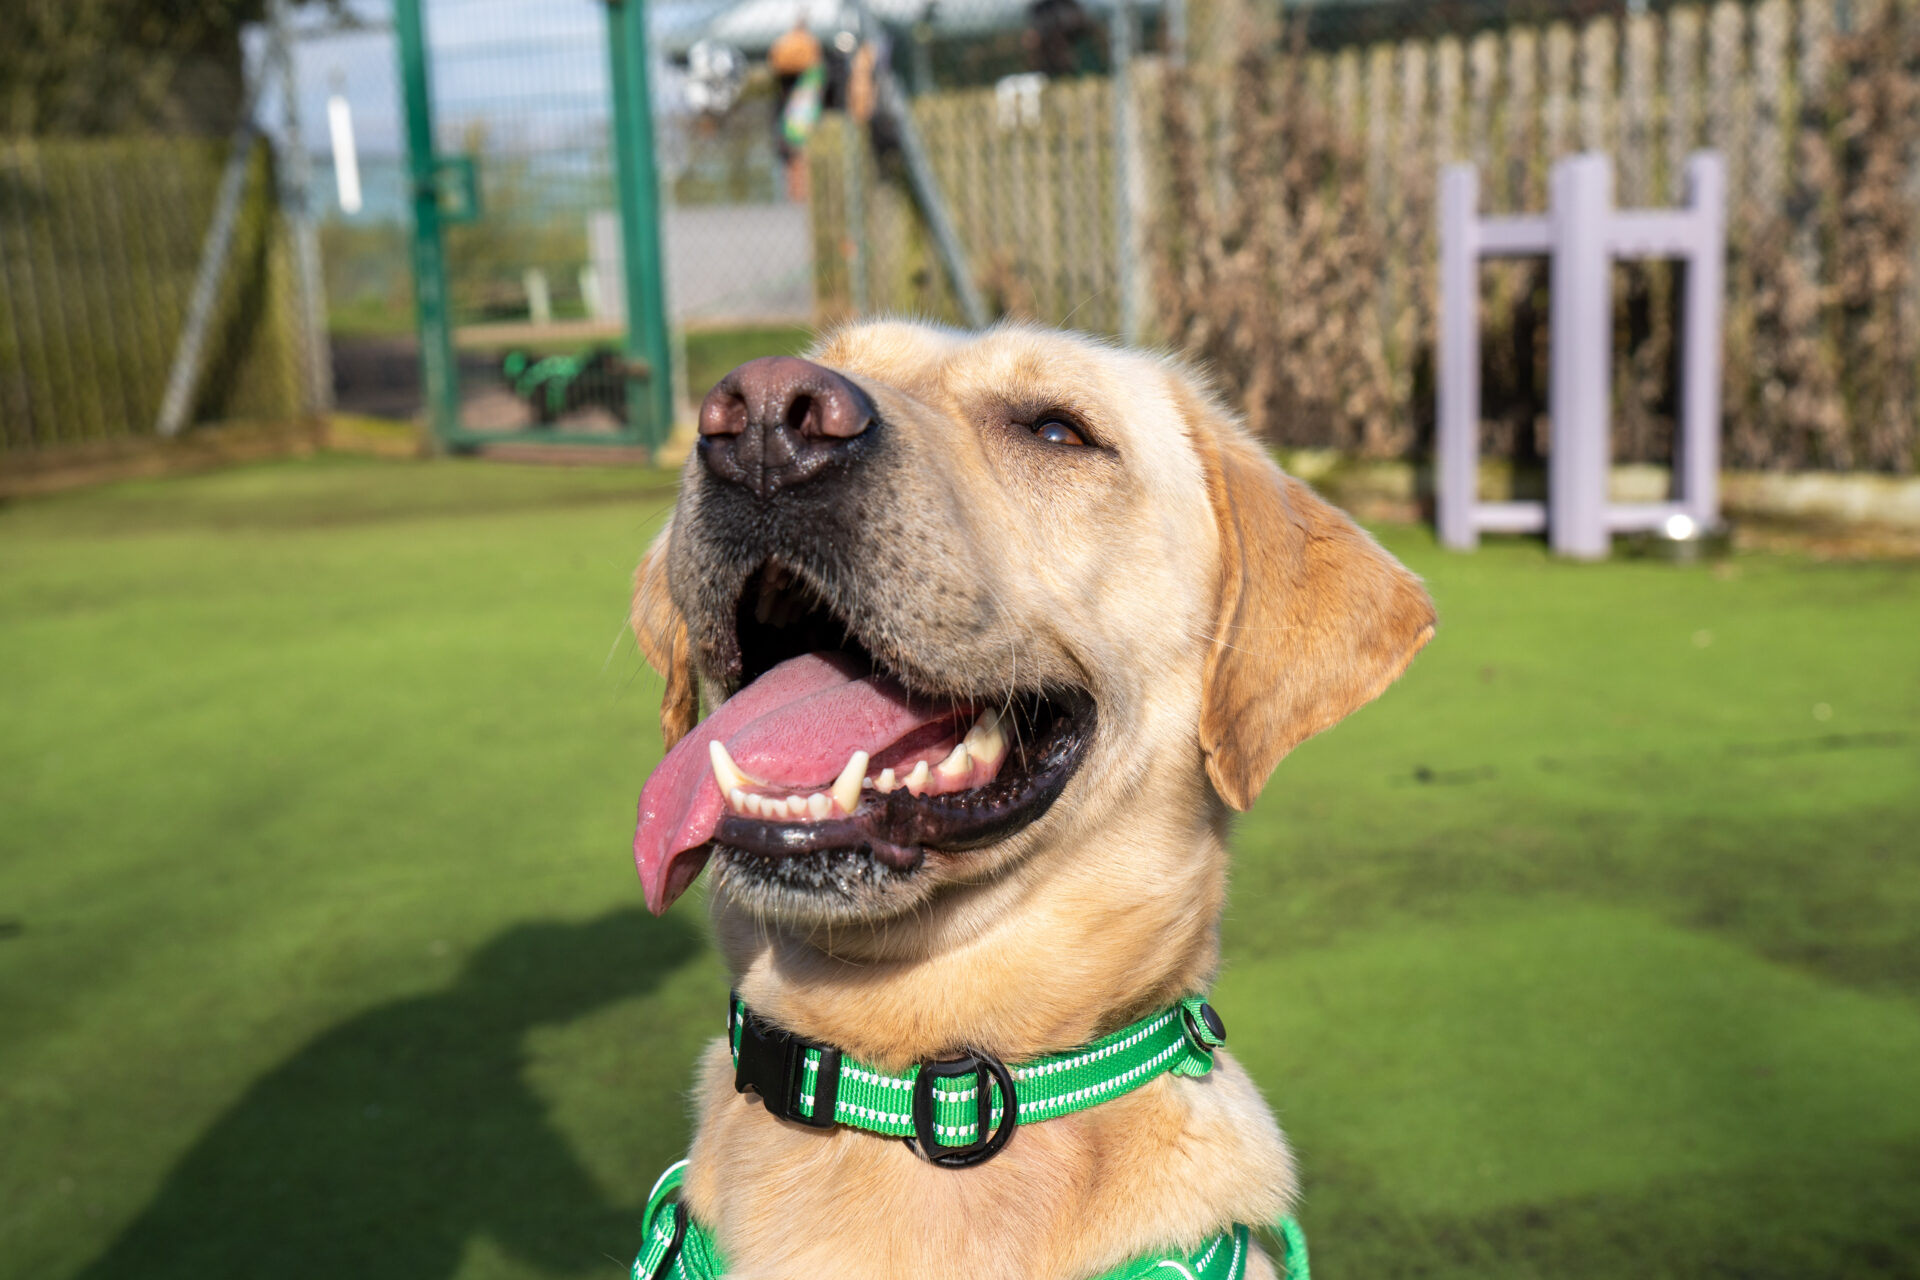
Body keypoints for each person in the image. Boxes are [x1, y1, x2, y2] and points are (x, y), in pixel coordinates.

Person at [769, 16, 825, 203]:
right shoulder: (800, 48)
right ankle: (797, 197)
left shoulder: (788, 46)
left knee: (798, 158)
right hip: (797, 111)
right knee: (796, 158)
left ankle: (798, 196)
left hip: (798, 109)